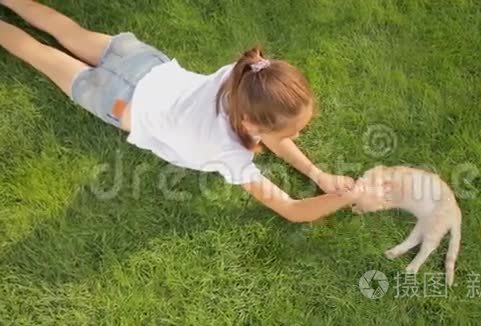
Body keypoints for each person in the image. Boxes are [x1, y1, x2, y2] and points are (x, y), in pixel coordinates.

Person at [0, 0, 368, 222]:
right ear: (252, 124)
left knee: (65, 29)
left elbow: (268, 131)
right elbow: (291, 209)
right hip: (115, 100)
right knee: (38, 54)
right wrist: (345, 197)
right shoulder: (228, 155)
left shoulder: (241, 81)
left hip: (140, 62)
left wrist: (318, 174)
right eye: (291, 133)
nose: (296, 138)